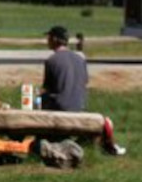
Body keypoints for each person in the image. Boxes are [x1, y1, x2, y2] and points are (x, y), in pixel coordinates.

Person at [40, 24, 126, 155]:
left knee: (41, 99)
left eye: (49, 37)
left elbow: (48, 88)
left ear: (55, 39)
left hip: (60, 109)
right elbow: (83, 83)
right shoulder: (80, 59)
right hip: (80, 108)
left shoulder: (52, 61)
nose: (47, 41)